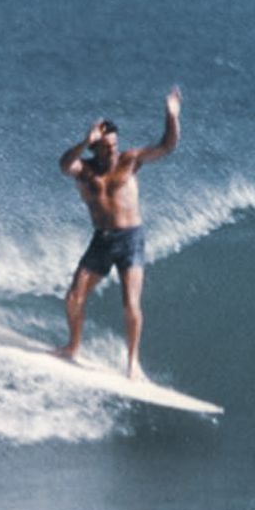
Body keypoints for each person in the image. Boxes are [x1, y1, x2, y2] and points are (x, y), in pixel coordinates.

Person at [53, 86, 182, 381]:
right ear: (95, 148)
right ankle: (72, 347)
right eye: (105, 146)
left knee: (130, 303)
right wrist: (86, 139)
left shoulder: (131, 161)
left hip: (130, 240)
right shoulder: (84, 169)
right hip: (102, 240)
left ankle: (133, 363)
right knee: (74, 297)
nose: (112, 150)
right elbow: (63, 165)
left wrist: (172, 116)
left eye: (114, 144)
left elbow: (167, 146)